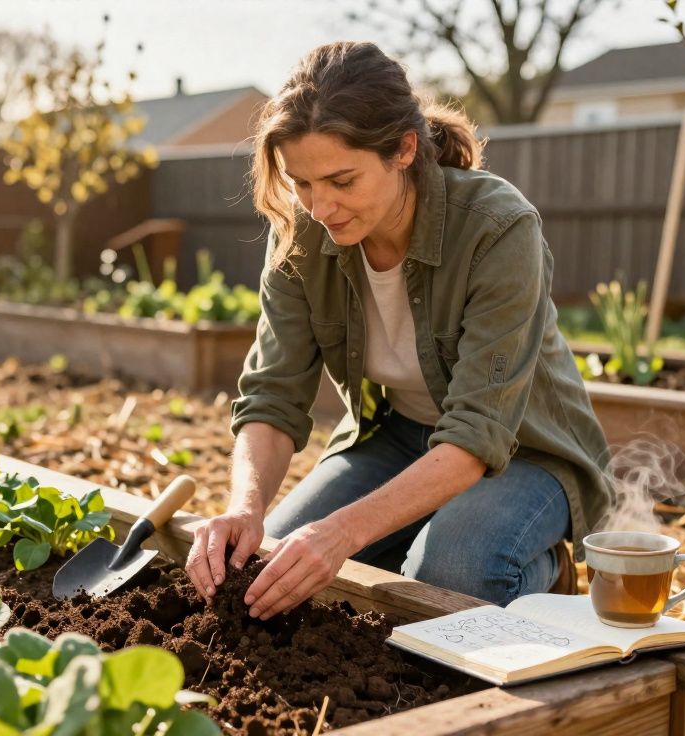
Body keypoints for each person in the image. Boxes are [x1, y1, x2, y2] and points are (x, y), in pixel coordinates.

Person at [185, 41, 611, 620]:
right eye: (302, 183)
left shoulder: (498, 227)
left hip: (523, 451)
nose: (320, 207)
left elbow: (476, 435)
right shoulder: (300, 234)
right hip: (398, 436)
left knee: (444, 575)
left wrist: (341, 534)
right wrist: (244, 507)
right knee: (274, 572)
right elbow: (272, 395)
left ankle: (546, 572)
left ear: (404, 149)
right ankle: (402, 545)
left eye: (341, 180)